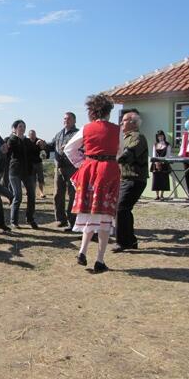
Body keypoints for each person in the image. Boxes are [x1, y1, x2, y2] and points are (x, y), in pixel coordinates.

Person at [64, 94, 123, 273]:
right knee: (105, 216)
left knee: (90, 213)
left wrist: (84, 163)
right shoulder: (116, 129)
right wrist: (109, 160)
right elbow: (120, 150)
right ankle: (99, 260)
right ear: (108, 111)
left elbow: (68, 149)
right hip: (109, 170)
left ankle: (82, 252)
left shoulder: (86, 128)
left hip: (89, 171)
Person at [113, 112, 149, 252]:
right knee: (124, 209)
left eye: (124, 121)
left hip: (134, 179)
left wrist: (112, 159)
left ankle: (123, 242)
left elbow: (128, 154)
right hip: (125, 179)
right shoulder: (124, 138)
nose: (121, 123)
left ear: (133, 123)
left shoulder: (138, 137)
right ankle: (131, 241)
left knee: (121, 208)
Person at [7, 120, 45, 229]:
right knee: (18, 196)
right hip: (15, 172)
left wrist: (39, 146)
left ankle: (30, 219)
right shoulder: (12, 140)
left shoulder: (28, 141)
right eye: (20, 126)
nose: (22, 128)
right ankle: (13, 221)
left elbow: (34, 152)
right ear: (14, 128)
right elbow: (9, 151)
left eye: (23, 126)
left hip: (28, 171)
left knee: (32, 195)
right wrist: (15, 137)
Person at [46, 112, 80, 230]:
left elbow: (82, 148)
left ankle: (73, 221)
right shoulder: (59, 134)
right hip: (59, 167)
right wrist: (42, 144)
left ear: (74, 120)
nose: (66, 120)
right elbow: (51, 146)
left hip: (73, 168)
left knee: (72, 195)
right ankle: (61, 219)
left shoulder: (78, 134)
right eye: (65, 118)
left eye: (69, 118)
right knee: (58, 194)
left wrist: (69, 146)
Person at [150, 130, 171, 200]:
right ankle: (157, 195)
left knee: (164, 179)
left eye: (161, 135)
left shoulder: (167, 145)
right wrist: (156, 163)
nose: (160, 137)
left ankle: (162, 195)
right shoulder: (155, 145)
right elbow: (153, 155)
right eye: (159, 136)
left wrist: (162, 162)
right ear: (157, 137)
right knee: (156, 179)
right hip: (156, 164)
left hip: (164, 163)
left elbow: (168, 155)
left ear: (164, 136)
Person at [28, 129, 46, 198]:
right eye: (31, 134)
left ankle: (41, 192)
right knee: (32, 179)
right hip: (30, 164)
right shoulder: (27, 142)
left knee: (40, 178)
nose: (33, 136)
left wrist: (41, 144)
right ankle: (33, 193)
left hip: (38, 163)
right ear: (29, 135)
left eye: (34, 134)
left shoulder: (39, 141)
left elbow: (43, 150)